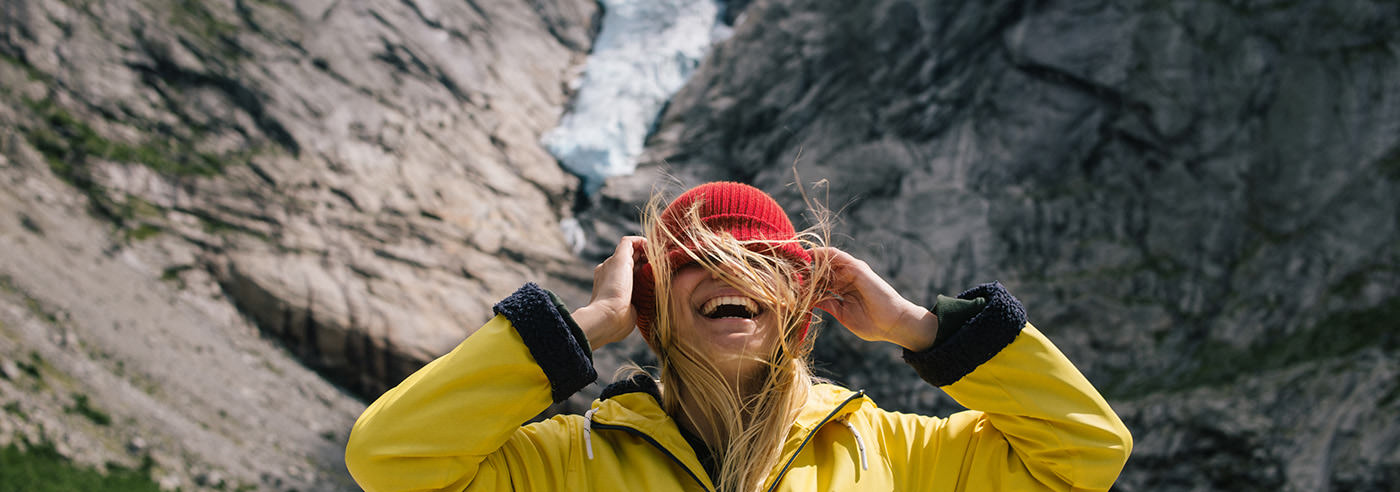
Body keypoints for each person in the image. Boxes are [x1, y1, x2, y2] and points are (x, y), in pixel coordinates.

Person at [345, 182, 1132, 492]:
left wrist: (917, 328)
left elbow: (1087, 453)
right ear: (655, 309)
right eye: (695, 263)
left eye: (764, 263)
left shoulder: (895, 454)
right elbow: (389, 457)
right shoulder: (565, 464)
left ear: (799, 304)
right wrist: (586, 325)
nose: (734, 277)